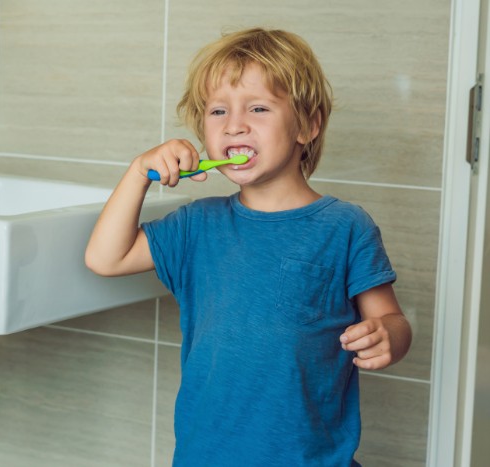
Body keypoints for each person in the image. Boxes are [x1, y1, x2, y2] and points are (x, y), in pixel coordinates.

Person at [85, 27, 412, 466]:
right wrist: (137, 172)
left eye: (258, 107)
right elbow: (105, 258)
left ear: (308, 126)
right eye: (218, 110)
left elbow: (389, 318)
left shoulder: (344, 226)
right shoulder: (197, 225)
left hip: (310, 458)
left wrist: (388, 335)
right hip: (207, 455)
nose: (234, 124)